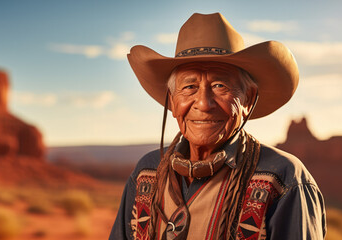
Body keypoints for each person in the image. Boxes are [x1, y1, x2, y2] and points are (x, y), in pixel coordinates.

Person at [109, 13, 326, 240]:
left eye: (220, 85)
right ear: (172, 102)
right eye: (189, 86)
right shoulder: (147, 172)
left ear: (248, 100)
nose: (203, 103)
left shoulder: (285, 179)